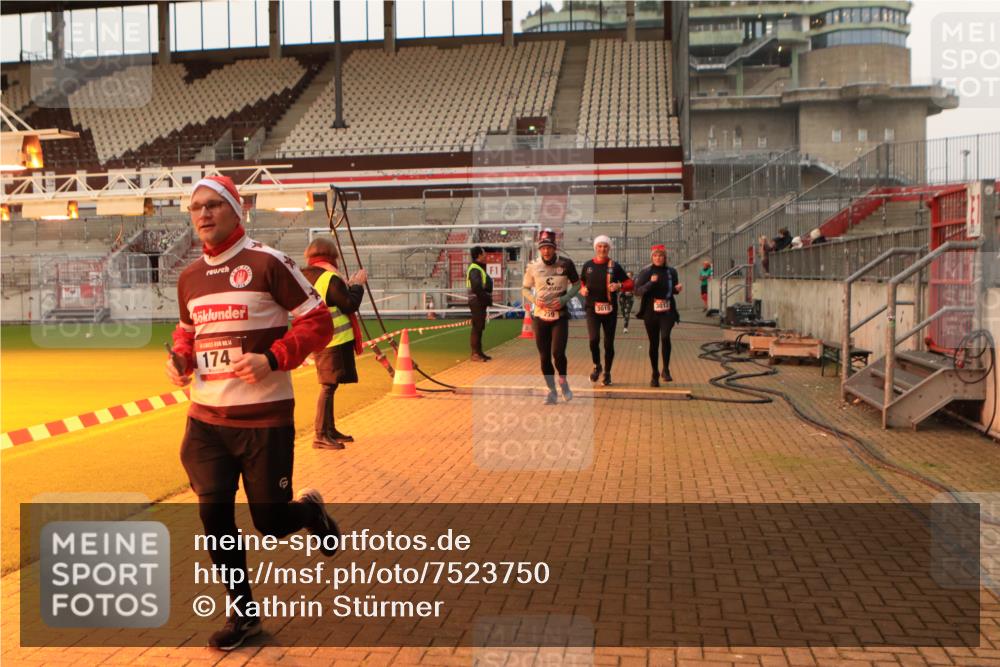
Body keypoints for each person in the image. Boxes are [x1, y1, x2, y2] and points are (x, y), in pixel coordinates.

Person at [166, 176, 340, 651]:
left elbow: (318, 321)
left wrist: (274, 357)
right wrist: (180, 360)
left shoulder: (269, 263)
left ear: (235, 210)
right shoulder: (188, 278)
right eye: (196, 208)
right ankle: (244, 616)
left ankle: (309, 513)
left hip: (264, 421)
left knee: (270, 520)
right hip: (205, 421)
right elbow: (187, 334)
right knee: (214, 519)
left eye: (213, 206)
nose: (203, 215)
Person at [301, 237, 367, 450]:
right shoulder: (330, 277)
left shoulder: (306, 275)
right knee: (328, 386)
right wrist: (358, 286)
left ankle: (329, 429)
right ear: (332, 255)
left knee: (330, 385)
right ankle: (320, 434)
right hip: (334, 339)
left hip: (320, 338)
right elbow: (349, 304)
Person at [521, 228, 580, 404]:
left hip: (559, 316)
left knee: (558, 353)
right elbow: (524, 289)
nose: (546, 251)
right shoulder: (533, 266)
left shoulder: (566, 264)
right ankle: (551, 390)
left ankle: (563, 381)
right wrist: (534, 300)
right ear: (539, 250)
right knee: (544, 357)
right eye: (543, 248)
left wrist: (565, 299)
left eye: (549, 247)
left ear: (555, 248)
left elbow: (577, 285)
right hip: (539, 317)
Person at [579, 235, 631, 386]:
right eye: (600, 246)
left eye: (605, 246)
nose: (602, 249)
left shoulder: (614, 266)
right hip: (592, 309)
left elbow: (629, 282)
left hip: (610, 310)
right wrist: (582, 289)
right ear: (595, 248)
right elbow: (582, 281)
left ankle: (607, 372)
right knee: (593, 340)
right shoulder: (588, 265)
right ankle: (597, 366)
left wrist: (619, 286)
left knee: (609, 344)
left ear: (609, 248)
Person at [634, 244, 682, 386]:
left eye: (661, 255)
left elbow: (670, 289)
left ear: (665, 257)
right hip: (650, 312)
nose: (658, 258)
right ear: (652, 257)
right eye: (655, 255)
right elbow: (637, 291)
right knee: (654, 343)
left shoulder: (671, 271)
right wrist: (650, 283)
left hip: (667, 310)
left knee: (665, 337)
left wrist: (676, 289)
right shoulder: (646, 272)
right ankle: (654, 373)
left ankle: (666, 369)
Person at [466, 245, 494, 362]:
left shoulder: (478, 268)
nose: (485, 255)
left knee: (480, 326)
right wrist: (487, 299)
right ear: (478, 256)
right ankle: (475, 354)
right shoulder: (474, 269)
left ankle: (479, 352)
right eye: (483, 253)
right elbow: (477, 287)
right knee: (477, 327)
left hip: (479, 300)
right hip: (477, 301)